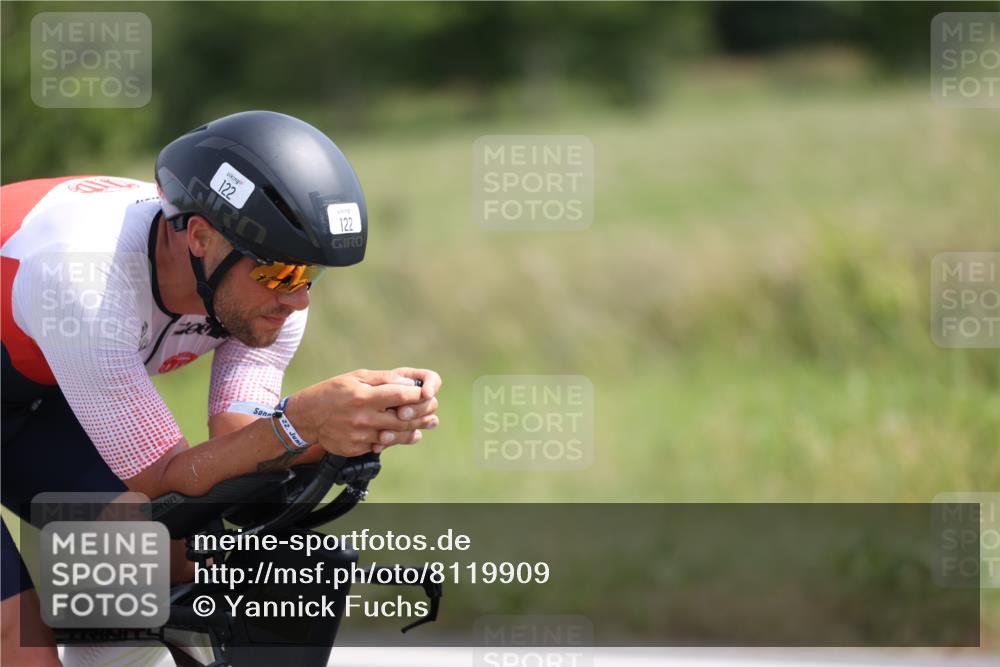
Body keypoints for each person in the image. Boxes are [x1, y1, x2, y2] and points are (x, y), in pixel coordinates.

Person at [1, 110, 442, 666]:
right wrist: (301, 421)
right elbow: (163, 481)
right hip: (37, 368)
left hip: (30, 399)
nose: (298, 299)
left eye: (310, 276)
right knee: (17, 637)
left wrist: (346, 428)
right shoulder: (86, 281)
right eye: (281, 274)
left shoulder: (260, 300)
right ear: (203, 238)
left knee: (160, 561)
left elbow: (239, 443)